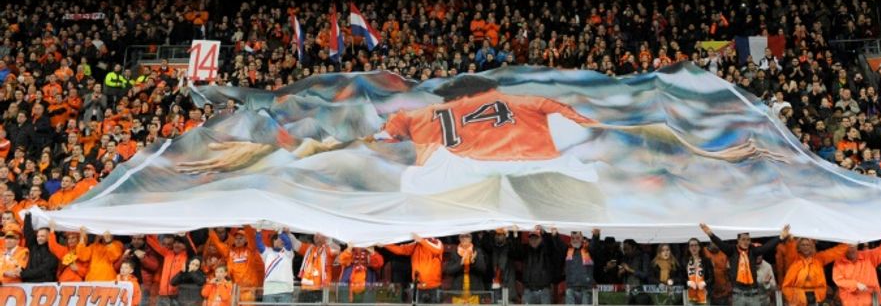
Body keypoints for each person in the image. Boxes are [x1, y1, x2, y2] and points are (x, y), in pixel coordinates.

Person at [178, 75, 785, 221]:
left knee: (437, 218)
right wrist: (710, 156)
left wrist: (258, 155)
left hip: (441, 174)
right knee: (579, 211)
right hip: (545, 165)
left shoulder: (419, 114)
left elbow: (345, 140)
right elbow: (631, 131)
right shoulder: (530, 100)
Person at [701, 223, 791, 306]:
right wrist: (710, 234)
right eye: (743, 239)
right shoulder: (732, 251)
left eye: (748, 239)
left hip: (753, 294)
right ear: (738, 240)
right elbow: (720, 243)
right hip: (738, 295)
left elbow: (766, 247)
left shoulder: (753, 251)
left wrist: (780, 237)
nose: (746, 242)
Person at [780, 237, 850, 306]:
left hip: (815, 299)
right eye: (803, 245)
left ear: (812, 246)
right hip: (798, 300)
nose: (805, 247)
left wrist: (849, 243)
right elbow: (790, 249)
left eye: (808, 245)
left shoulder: (819, 258)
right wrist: (790, 239)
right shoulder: (794, 259)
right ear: (798, 247)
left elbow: (835, 252)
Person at [383, 234, 444, 303]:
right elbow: (401, 250)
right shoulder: (415, 245)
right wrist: (384, 244)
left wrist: (421, 240)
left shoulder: (437, 242)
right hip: (419, 287)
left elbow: (438, 250)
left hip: (434, 287)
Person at [208, 226, 263, 302]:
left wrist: (246, 225)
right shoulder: (229, 252)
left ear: (246, 240)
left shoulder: (251, 250)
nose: (238, 240)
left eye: (241, 238)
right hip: (234, 288)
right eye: (236, 238)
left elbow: (250, 235)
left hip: (248, 289)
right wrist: (211, 232)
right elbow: (218, 243)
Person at [831, 239, 881, 306]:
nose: (851, 250)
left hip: (872, 301)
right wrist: (856, 284)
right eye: (848, 247)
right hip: (850, 302)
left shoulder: (868, 256)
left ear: (857, 246)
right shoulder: (839, 261)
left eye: (853, 247)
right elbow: (838, 280)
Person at [288, 232, 342, 303]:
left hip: (320, 290)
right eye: (315, 234)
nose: (316, 236)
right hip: (305, 289)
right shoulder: (309, 249)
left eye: (319, 234)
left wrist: (329, 241)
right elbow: (295, 244)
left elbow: (337, 249)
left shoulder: (328, 250)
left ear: (325, 237)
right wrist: (288, 233)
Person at [554, 230, 600, 305]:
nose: (575, 240)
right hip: (571, 288)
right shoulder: (567, 249)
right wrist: (555, 236)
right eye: (573, 238)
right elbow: (559, 244)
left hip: (586, 288)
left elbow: (594, 245)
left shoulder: (588, 249)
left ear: (582, 238)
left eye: (577, 238)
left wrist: (595, 236)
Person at [146, 234, 193, 306]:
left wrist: (184, 236)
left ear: (185, 245)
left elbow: (191, 247)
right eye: (175, 242)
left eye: (180, 243)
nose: (176, 245)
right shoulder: (167, 253)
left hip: (177, 296)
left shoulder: (188, 256)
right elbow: (155, 244)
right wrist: (147, 234)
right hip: (163, 295)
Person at [255, 228, 295, 303]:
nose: (282, 241)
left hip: (285, 290)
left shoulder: (288, 252)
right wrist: (258, 232)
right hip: (269, 291)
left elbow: (288, 242)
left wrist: (280, 232)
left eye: (282, 240)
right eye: (279, 239)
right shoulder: (267, 252)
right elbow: (259, 245)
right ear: (273, 241)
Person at [443, 233, 487, 301]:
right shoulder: (455, 252)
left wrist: (473, 262)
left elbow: (483, 269)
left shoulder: (477, 251)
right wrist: (460, 263)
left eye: (467, 236)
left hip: (474, 291)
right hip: (458, 291)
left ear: (471, 239)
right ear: (459, 239)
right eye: (462, 236)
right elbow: (448, 270)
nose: (464, 238)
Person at [19, 213, 57, 282]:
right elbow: (28, 233)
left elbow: (43, 270)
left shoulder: (52, 251)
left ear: (49, 237)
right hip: (29, 284)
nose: (39, 238)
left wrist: (22, 274)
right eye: (38, 236)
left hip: (45, 286)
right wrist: (28, 216)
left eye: (42, 236)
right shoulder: (33, 246)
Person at [683, 239, 714, 306]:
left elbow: (712, 278)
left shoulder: (707, 261)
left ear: (700, 247)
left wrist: (704, 283)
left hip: (704, 293)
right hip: (689, 293)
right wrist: (688, 282)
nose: (694, 247)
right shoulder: (684, 261)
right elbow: (681, 277)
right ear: (688, 248)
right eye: (691, 245)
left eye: (696, 245)